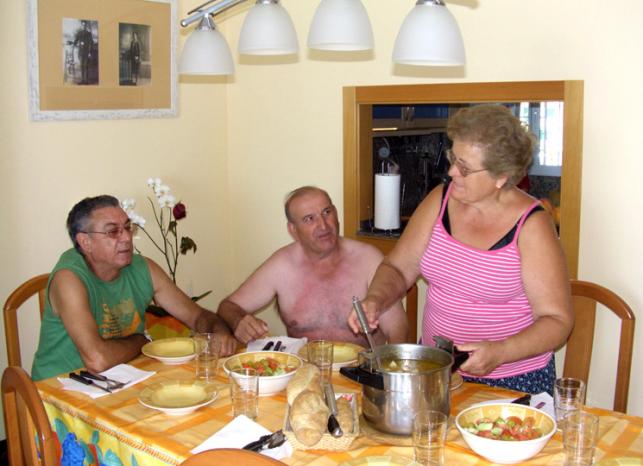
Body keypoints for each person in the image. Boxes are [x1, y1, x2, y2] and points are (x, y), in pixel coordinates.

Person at [349, 105, 573, 395]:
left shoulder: (532, 225)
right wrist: (376, 300)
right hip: (436, 369)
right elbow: (398, 268)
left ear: (501, 176)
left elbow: (557, 321)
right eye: (453, 158)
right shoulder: (441, 199)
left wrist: (500, 352)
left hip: (511, 380)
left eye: (464, 168)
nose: (452, 171)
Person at [32, 195, 237, 381]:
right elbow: (98, 360)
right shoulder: (68, 279)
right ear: (85, 242)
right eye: (113, 231)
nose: (126, 238)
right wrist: (141, 341)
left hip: (119, 379)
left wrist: (218, 332)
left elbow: (197, 316)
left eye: (128, 227)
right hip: (56, 393)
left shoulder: (143, 267)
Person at [217, 186, 408, 347]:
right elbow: (228, 306)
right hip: (304, 373)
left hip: (363, 371)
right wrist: (238, 322)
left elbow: (398, 329)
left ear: (336, 213)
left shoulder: (368, 258)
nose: (323, 225)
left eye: (327, 212)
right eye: (309, 219)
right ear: (293, 230)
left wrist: (390, 372)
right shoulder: (281, 265)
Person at [74, 21, 94, 85]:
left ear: (86, 26)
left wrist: (90, 52)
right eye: (82, 25)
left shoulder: (89, 34)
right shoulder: (79, 33)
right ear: (81, 26)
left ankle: (86, 81)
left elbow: (91, 43)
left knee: (86, 66)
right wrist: (75, 43)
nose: (84, 26)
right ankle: (82, 80)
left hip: (87, 52)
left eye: (85, 25)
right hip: (80, 52)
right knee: (81, 66)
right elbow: (75, 41)